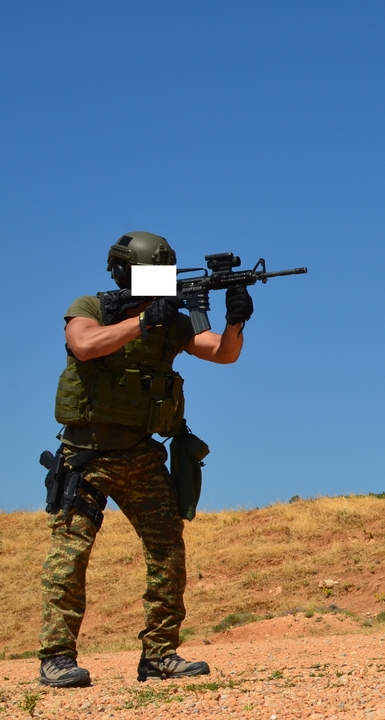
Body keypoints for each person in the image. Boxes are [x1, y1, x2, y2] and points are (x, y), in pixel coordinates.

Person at [38, 231, 254, 688]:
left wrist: (236, 320)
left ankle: (159, 654)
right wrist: (142, 321)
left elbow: (222, 353)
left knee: (167, 553)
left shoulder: (173, 322)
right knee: (69, 557)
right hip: (87, 456)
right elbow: (85, 345)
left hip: (141, 453)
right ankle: (57, 657)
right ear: (123, 274)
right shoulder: (91, 308)